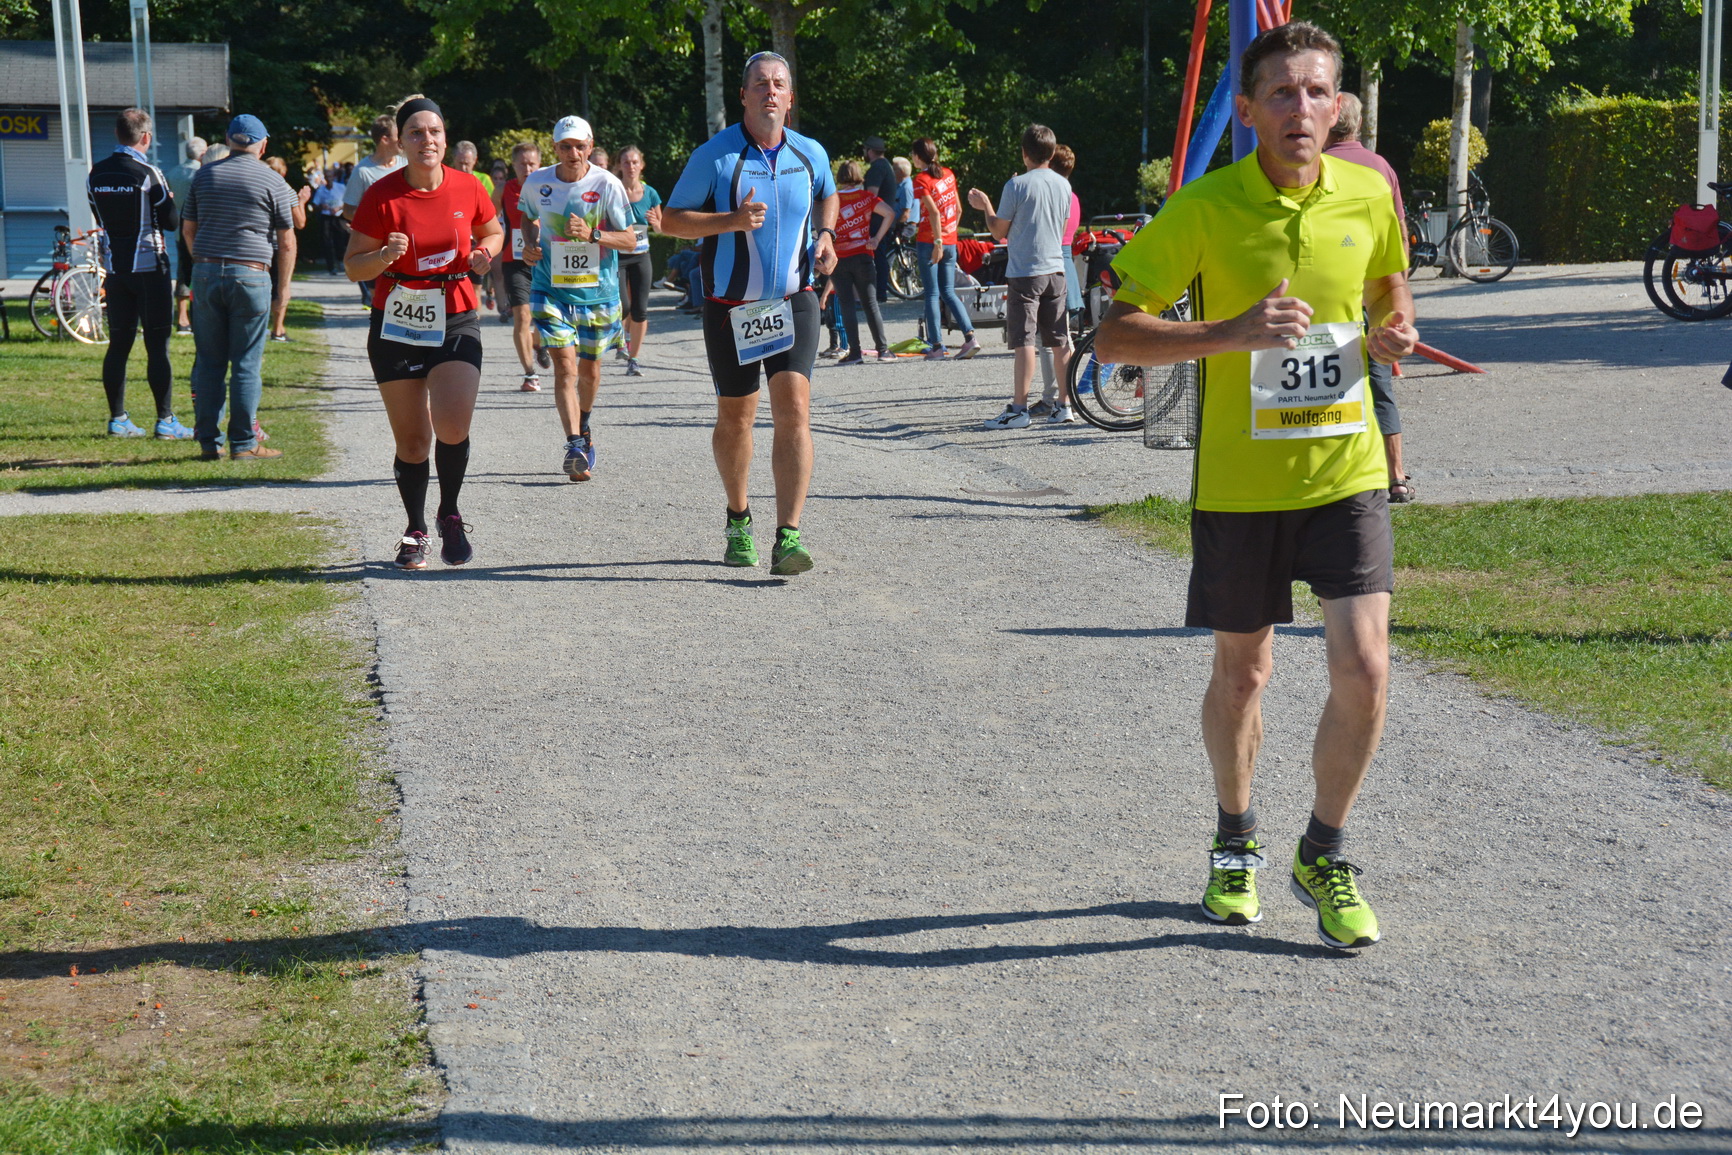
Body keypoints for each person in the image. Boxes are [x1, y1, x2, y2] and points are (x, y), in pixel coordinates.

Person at [1094, 21, 1418, 951]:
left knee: (1365, 665)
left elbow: (1392, 290)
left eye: (1317, 93)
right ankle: (1235, 838)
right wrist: (1228, 333)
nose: (1302, 110)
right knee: (1246, 674)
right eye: (1282, 94)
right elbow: (1114, 335)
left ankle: (1324, 850)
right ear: (1246, 110)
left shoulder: (1369, 191)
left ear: (1338, 106)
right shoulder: (1203, 207)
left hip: (1346, 469)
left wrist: (1392, 330)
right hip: (1240, 482)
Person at [662, 50, 837, 575]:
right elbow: (671, 221)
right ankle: (738, 518)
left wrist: (826, 234)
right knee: (737, 419)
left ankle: (789, 534)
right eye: (759, 83)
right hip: (730, 307)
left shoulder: (810, 153)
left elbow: (828, 193)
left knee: (795, 411)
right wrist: (731, 221)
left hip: (795, 299)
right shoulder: (715, 157)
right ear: (743, 95)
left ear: (790, 96)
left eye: (779, 84)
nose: (770, 92)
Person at [346, 97, 502, 569]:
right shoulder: (382, 195)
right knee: (413, 442)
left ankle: (449, 513)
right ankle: (415, 527)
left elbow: (493, 231)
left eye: (433, 131)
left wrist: (484, 255)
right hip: (397, 319)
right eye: (415, 132)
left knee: (453, 424)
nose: (426, 140)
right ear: (400, 140)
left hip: (455, 313)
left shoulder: (468, 187)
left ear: (445, 138)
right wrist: (383, 259)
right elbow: (354, 266)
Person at [518, 116, 635, 480]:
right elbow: (526, 218)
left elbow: (630, 239)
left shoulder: (606, 184)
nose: (573, 153)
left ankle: (584, 427)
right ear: (555, 148)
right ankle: (573, 444)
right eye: (565, 146)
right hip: (550, 288)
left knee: (590, 371)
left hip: (598, 293)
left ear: (590, 145)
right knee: (565, 368)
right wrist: (531, 245)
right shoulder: (538, 182)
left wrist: (593, 234)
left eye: (580, 146)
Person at [181, 114, 299, 460]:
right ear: (262, 145)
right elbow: (287, 242)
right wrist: (284, 288)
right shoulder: (272, 181)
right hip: (250, 274)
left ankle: (208, 442)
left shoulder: (203, 176)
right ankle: (244, 443)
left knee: (209, 361)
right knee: (246, 362)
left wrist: (204, 261)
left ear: (230, 140)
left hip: (205, 273)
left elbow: (189, 229)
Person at [1325, 93, 1413, 504]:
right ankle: (1396, 474)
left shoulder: (1313, 166)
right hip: (1373, 294)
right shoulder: (1380, 168)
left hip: (1326, 296)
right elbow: (1397, 235)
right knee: (1380, 385)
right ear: (1358, 126)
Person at [87, 107, 193, 440]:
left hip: (115, 270)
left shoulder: (95, 173)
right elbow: (172, 222)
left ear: (118, 134)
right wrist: (170, 202)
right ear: (145, 137)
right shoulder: (148, 173)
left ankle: (118, 420)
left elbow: (100, 215)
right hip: (150, 268)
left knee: (118, 344)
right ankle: (166, 421)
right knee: (156, 346)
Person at [967, 124, 1074, 428]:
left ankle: (1019, 408)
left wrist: (985, 206)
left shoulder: (1016, 186)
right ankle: (1064, 405)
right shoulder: (1064, 186)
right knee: (1059, 339)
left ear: (1024, 153)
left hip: (1026, 271)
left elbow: (999, 231)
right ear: (1052, 154)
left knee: (1024, 340)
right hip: (1056, 269)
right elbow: (1063, 224)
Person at [909, 138, 978, 361]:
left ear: (918, 157)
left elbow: (934, 213)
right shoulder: (948, 173)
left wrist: (937, 242)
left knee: (931, 293)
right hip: (950, 240)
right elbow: (957, 209)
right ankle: (970, 338)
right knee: (948, 291)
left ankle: (937, 346)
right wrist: (948, 235)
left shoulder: (920, 179)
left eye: (913, 154)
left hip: (931, 242)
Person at [1032, 143, 1084, 416]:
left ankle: (1055, 396)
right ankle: (1064, 393)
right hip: (1066, 261)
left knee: (1052, 339)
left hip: (1052, 262)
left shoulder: (1054, 194)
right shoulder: (1072, 196)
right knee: (1061, 337)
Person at [495, 140, 549, 391]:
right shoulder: (503, 189)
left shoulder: (549, 187)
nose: (527, 169)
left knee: (544, 316)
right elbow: (485, 218)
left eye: (532, 164)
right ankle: (530, 374)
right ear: (513, 166)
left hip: (544, 261)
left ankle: (538, 343)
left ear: (540, 165)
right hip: (514, 261)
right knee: (522, 316)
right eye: (522, 164)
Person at [831, 159, 895, 364]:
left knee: (846, 304)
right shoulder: (867, 197)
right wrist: (876, 239)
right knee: (870, 304)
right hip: (864, 254)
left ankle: (855, 353)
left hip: (839, 257)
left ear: (840, 176)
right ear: (859, 175)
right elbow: (889, 213)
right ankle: (883, 351)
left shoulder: (832, 199)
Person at [343, 112, 406, 303]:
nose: (402, 140)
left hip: (405, 244)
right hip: (377, 248)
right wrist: (377, 219)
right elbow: (347, 210)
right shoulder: (363, 171)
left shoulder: (406, 164)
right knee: (380, 299)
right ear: (385, 139)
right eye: (398, 136)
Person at [615, 144, 662, 377]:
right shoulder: (613, 190)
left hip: (642, 256)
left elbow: (661, 228)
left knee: (641, 310)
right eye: (626, 162)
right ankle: (621, 339)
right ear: (619, 166)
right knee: (623, 306)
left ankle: (633, 359)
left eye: (635, 162)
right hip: (618, 256)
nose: (631, 166)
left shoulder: (650, 193)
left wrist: (655, 222)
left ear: (641, 165)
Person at [264, 156, 312, 342]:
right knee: (282, 287)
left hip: (261, 244)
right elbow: (300, 222)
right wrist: (302, 201)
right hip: (283, 245)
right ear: (283, 172)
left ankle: (260, 327)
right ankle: (278, 329)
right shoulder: (286, 190)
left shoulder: (259, 186)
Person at [164, 134, 205, 334]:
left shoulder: (173, 173)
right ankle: (201, 316)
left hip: (181, 229)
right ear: (203, 154)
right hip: (201, 229)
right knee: (202, 274)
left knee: (183, 273)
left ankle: (181, 319)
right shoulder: (204, 174)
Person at [452, 140, 496, 312]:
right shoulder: (444, 179)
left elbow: (491, 213)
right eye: (460, 163)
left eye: (467, 164)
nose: (463, 168)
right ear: (453, 161)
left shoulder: (484, 180)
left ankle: (473, 330)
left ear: (475, 160)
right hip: (453, 242)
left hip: (475, 242)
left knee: (475, 288)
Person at [861, 136, 898, 302]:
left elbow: (871, 195)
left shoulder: (877, 167)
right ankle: (880, 292)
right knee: (880, 255)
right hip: (885, 219)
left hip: (877, 220)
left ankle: (879, 293)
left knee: (877, 256)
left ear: (869, 151)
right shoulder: (887, 166)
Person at [311, 165, 349, 274]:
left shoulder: (341, 187)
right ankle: (331, 266)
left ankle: (340, 261)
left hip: (338, 216)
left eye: (330, 176)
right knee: (327, 241)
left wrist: (339, 207)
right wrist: (322, 206)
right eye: (327, 177)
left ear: (334, 177)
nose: (329, 179)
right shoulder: (321, 190)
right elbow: (315, 205)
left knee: (340, 240)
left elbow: (348, 201)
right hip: (326, 217)